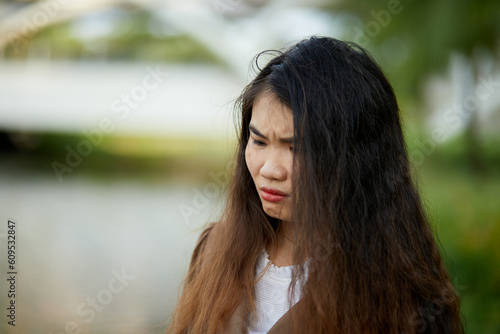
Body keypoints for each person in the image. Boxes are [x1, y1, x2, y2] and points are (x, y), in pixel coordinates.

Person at [167, 36, 464, 333]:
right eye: (258, 141)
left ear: (357, 158)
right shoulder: (215, 250)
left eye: (297, 148)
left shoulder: (396, 295)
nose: (269, 169)